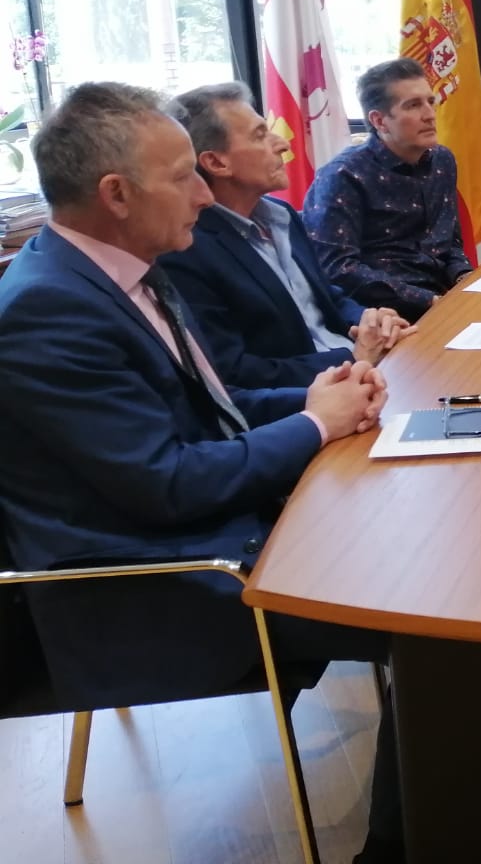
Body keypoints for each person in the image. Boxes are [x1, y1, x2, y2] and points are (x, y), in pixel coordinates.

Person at [0, 82, 404, 864]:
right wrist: (314, 425)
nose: (202, 193)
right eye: (184, 175)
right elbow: (167, 483)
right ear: (116, 194)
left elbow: (212, 406)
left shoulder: (124, 270)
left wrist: (319, 396)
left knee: (418, 549)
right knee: (426, 611)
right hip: (154, 584)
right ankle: (407, 844)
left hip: (211, 532)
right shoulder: (45, 312)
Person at [161, 82, 417, 389]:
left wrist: (369, 320)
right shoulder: (187, 247)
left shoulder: (282, 214)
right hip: (312, 395)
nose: (282, 143)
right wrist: (352, 357)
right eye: (260, 135)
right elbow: (233, 371)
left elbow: (327, 296)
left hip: (368, 366)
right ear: (216, 162)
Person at [304, 57, 472, 322]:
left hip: (445, 300)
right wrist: (430, 301)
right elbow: (338, 269)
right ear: (379, 121)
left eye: (430, 102)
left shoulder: (442, 160)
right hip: (384, 316)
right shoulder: (342, 176)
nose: (429, 114)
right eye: (414, 105)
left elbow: (450, 243)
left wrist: (466, 280)